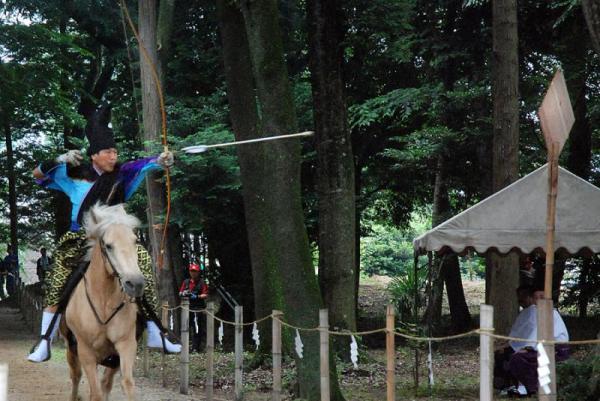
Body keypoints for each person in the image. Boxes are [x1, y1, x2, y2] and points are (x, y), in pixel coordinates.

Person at [27, 104, 181, 363]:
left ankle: (157, 331)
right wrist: (58, 160)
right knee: (58, 278)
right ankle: (44, 340)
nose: (113, 156)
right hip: (80, 238)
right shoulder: (73, 175)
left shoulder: (123, 173)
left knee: (142, 264)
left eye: (115, 151)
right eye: (108, 152)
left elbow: (147, 164)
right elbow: (37, 175)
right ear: (94, 156)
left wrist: (162, 160)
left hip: (116, 239)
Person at [494, 285, 569, 397]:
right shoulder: (531, 311)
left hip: (555, 349)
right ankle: (507, 385)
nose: (539, 300)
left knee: (517, 357)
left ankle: (529, 388)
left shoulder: (549, 312)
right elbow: (522, 333)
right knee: (504, 353)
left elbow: (538, 335)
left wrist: (527, 347)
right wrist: (508, 344)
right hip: (537, 346)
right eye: (537, 297)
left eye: (542, 296)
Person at [179, 262, 209, 353]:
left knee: (199, 327)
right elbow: (180, 292)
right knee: (189, 327)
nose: (193, 273)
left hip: (199, 308)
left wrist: (197, 296)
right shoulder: (186, 282)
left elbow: (206, 294)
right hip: (188, 308)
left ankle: (198, 347)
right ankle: (189, 346)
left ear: (198, 272)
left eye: (195, 271)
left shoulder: (202, 282)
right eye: (191, 271)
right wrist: (184, 293)